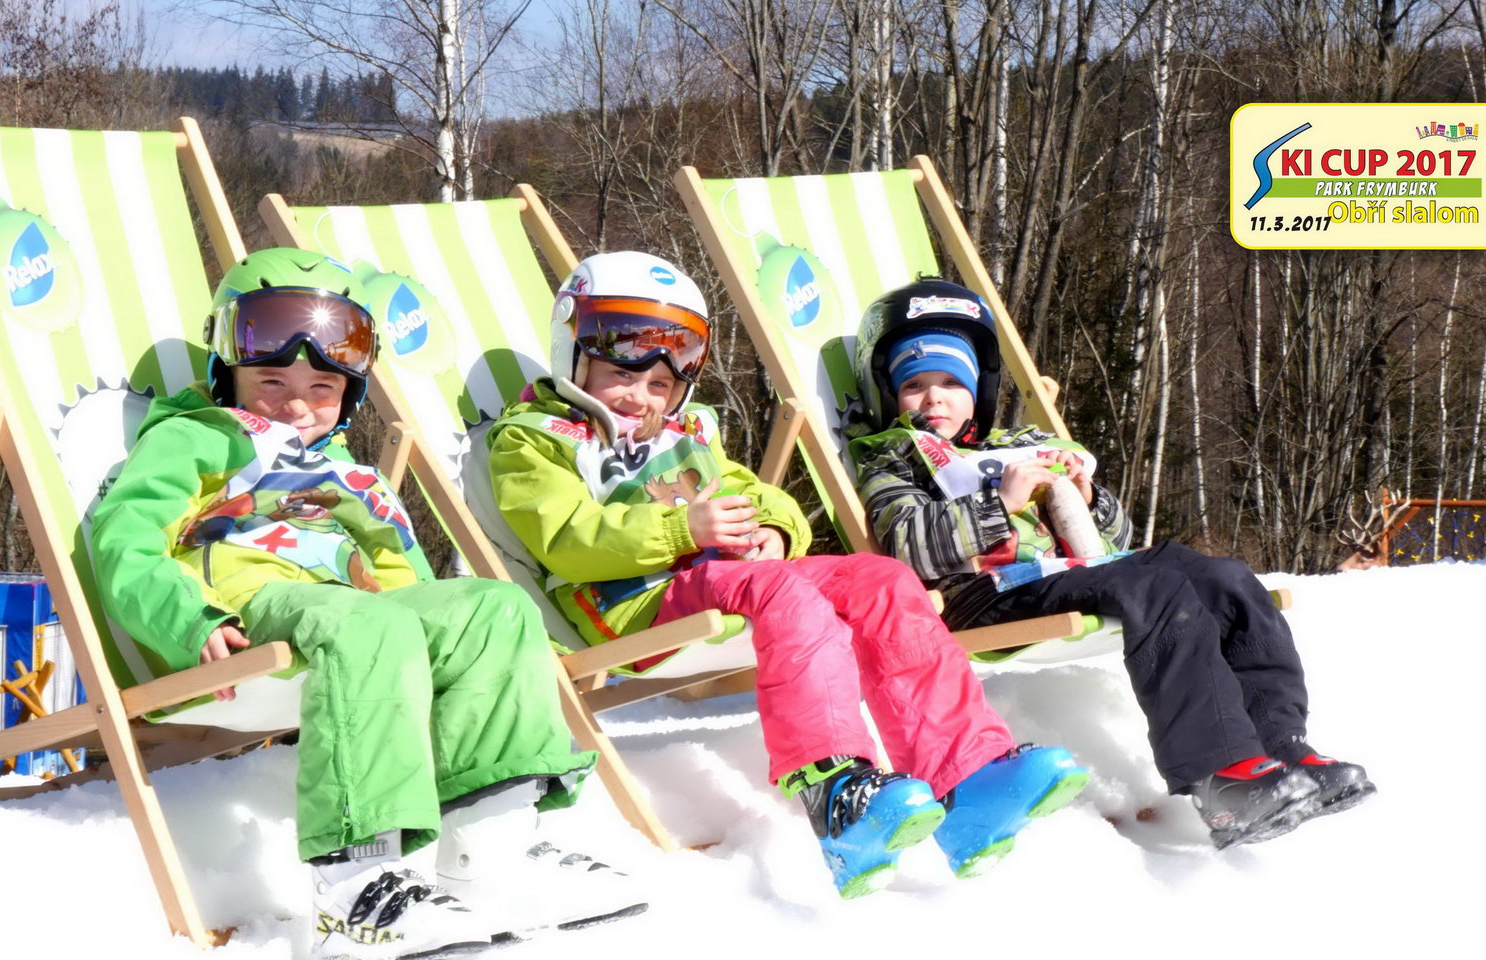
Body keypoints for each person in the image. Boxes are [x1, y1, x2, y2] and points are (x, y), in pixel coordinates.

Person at [90, 248, 639, 960]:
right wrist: (191, 621)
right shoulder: (193, 438)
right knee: (370, 622)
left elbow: (401, 573)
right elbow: (124, 543)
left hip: (352, 621)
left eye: (321, 387)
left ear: (349, 394)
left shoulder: (350, 473)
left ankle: (493, 851)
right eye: (272, 382)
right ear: (228, 371)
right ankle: (358, 891)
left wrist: (474, 646)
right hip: (245, 614)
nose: (296, 405)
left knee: (496, 607)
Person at [482, 251, 1088, 899]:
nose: (641, 396)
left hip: (731, 581)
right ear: (573, 355)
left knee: (880, 580)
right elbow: (568, 540)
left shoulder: (682, 435)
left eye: (660, 384)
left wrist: (774, 530)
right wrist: (683, 531)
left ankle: (968, 780)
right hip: (634, 603)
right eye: (621, 375)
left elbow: (761, 497)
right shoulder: (533, 441)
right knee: (785, 589)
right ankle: (839, 794)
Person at [846, 278, 1376, 849]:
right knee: (1156, 590)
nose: (934, 399)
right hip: (985, 591)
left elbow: (1116, 541)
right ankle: (1221, 777)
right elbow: (906, 545)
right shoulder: (892, 459)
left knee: (1224, 578)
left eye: (952, 382)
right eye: (914, 385)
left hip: (1069, 573)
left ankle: (1279, 745)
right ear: (889, 394)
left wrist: (1089, 497)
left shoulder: (1018, 443)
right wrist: (997, 504)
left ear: (979, 389)